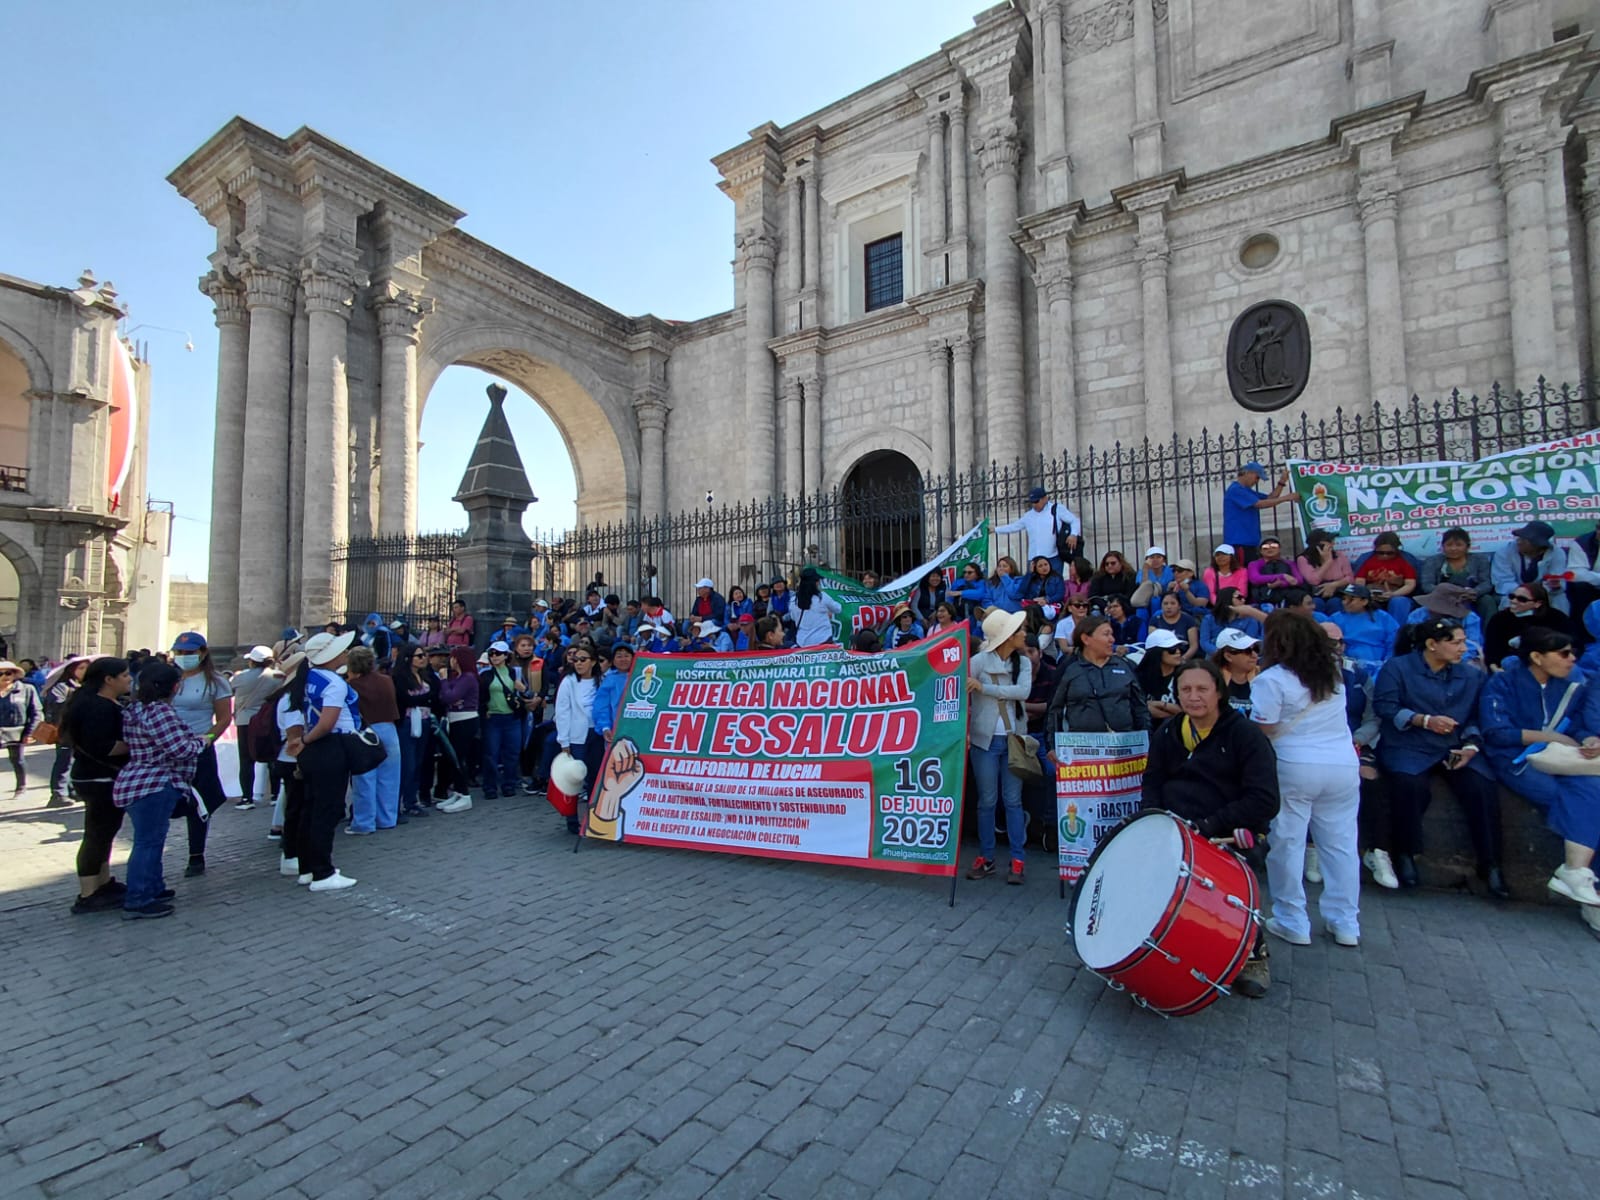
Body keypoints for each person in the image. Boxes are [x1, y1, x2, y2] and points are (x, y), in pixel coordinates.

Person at [1141, 658, 1281, 996]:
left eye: (1202, 689)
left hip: (1226, 832)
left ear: (1219, 692)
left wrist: (1208, 825)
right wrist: (1154, 818)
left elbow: (1265, 799)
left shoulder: (1245, 735)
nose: (1193, 697)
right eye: (1186, 689)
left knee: (1233, 887)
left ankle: (1254, 954)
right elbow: (1153, 781)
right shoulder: (1169, 732)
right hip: (1176, 828)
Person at [1251, 611, 1362, 947]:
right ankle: (1345, 922)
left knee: (1287, 843)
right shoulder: (1333, 674)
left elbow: (1264, 728)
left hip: (1295, 765)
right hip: (1342, 765)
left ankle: (1291, 919)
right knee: (1341, 845)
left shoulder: (1272, 679)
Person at [1372, 615, 1503, 897]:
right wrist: (1423, 720)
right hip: (1408, 744)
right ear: (1432, 644)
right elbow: (1385, 706)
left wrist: (1471, 745)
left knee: (1481, 787)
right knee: (1408, 785)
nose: (1463, 648)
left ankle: (1490, 863)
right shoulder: (1398, 668)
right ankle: (1405, 853)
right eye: (1456, 643)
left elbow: (1477, 716)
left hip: (1454, 746)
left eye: (1464, 642)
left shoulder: (1472, 675)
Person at [1479, 626, 1600, 925]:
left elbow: (1578, 726)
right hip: (1514, 760)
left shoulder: (1572, 685)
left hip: (1560, 759)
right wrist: (1549, 737)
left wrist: (1589, 739)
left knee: (1592, 788)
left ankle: (1578, 876)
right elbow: (1496, 732)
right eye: (1564, 654)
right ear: (1537, 657)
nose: (1572, 659)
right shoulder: (1503, 682)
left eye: (1573, 653)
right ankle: (1583, 887)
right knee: (1569, 800)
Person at [115, 663, 207, 919]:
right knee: (148, 843)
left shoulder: (134, 709)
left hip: (137, 780)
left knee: (152, 839)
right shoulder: (160, 711)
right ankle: (138, 899)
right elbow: (179, 749)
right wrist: (201, 743)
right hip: (154, 782)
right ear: (175, 686)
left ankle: (153, 887)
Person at [964, 609, 1033, 884]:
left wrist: (985, 688)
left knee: (1013, 801)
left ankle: (1018, 859)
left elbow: (1023, 692)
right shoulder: (978, 661)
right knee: (987, 801)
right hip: (985, 740)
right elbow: (960, 691)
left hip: (1014, 739)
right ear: (1006, 636)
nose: (1024, 634)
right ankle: (987, 856)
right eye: (1019, 630)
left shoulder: (1023, 662)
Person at [60, 657, 132, 914]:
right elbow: (103, 746)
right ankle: (88, 892)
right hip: (98, 777)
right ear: (108, 679)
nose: (129, 680)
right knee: (96, 835)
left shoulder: (101, 702)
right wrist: (137, 743)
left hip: (101, 776)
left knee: (105, 833)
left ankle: (103, 882)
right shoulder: (96, 707)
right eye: (124, 675)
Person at [290, 632, 360, 891]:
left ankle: (308, 868)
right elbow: (328, 722)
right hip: (330, 745)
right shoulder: (334, 682)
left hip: (316, 749)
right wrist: (306, 740)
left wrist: (305, 742)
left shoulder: (308, 677)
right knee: (327, 810)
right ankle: (323, 872)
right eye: (341, 650)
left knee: (310, 809)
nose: (345, 653)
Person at [168, 632, 233, 878]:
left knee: (199, 803)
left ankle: (196, 855)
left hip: (198, 748)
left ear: (203, 653)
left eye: (189, 653)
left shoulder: (215, 682)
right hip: (168, 749)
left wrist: (207, 739)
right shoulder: (169, 679)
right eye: (179, 653)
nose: (184, 657)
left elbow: (224, 718)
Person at [1046, 615, 1149, 738]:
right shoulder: (1068, 669)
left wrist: (1146, 739)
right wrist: (1053, 745)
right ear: (1086, 639)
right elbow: (1054, 712)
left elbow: (1140, 708)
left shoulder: (1126, 666)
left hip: (1125, 743)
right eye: (1106, 634)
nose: (1112, 640)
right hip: (1081, 745)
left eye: (1112, 634)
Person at [344, 646, 402, 832]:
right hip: (389, 728)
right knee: (390, 777)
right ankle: (387, 818)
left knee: (365, 779)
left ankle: (364, 822)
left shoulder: (352, 686)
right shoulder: (386, 680)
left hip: (366, 731)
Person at [555, 642, 603, 835]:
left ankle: (593, 818)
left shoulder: (601, 680)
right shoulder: (568, 682)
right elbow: (562, 712)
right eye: (576, 660)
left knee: (595, 777)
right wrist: (564, 741)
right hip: (576, 737)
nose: (579, 663)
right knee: (575, 779)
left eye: (583, 659)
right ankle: (572, 820)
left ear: (593, 662)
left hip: (597, 734)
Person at [228, 645, 280, 810]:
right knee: (272, 756)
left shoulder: (241, 677)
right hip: (267, 719)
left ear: (252, 661)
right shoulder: (278, 676)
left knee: (246, 760)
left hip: (245, 720)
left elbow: (231, 688)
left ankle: (247, 798)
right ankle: (275, 795)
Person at [476, 641, 528, 801]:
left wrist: (523, 689)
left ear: (506, 656)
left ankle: (509, 784)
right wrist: (484, 711)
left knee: (512, 753)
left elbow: (526, 694)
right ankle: (490, 787)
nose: (494, 657)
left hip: (512, 718)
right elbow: (480, 696)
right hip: (493, 718)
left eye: (498, 653)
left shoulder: (515, 673)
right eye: (491, 654)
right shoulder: (485, 674)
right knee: (491, 754)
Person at [1484, 581, 1578, 669]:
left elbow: (1572, 643)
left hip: (1550, 664)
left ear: (1537, 603)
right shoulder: (1500, 618)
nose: (1514, 601)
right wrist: (1495, 669)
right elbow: (1491, 651)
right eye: (1512, 596)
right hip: (1510, 668)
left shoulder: (1556, 617)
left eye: (1522, 599)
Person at [996, 485, 1081, 573]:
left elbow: (1074, 520)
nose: (1034, 505)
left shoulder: (1057, 509)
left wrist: (1073, 534)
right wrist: (996, 529)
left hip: (1053, 556)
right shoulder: (1029, 516)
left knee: (1055, 580)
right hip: (1034, 558)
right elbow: (1014, 526)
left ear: (1045, 499)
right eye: (1032, 502)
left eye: (1036, 501)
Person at [1492, 521, 1572, 612]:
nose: (1519, 541)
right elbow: (1503, 582)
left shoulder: (1557, 553)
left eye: (1525, 540)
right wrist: (1527, 594)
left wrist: (1554, 586)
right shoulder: (1504, 552)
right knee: (1509, 602)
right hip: (1515, 593)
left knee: (1559, 600)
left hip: (1546, 594)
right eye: (1519, 538)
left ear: (1538, 545)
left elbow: (1558, 580)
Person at [1223, 461, 1296, 562]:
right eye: (1257, 477)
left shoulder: (1247, 491)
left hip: (1250, 541)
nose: (1257, 481)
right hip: (1239, 542)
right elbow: (1260, 504)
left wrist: (1282, 481)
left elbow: (1270, 498)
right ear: (1248, 473)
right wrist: (1286, 498)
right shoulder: (1236, 490)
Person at [435, 647, 480, 811]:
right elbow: (445, 697)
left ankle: (465, 794)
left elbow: (449, 696)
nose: (451, 661)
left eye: (453, 658)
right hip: (455, 719)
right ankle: (458, 792)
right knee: (452, 758)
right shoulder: (458, 678)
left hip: (465, 720)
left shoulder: (468, 678)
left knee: (458, 758)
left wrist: (443, 681)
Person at [1420, 528, 1496, 623]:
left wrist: (1474, 592)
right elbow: (1427, 585)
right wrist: (1449, 594)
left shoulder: (1479, 559)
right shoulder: (1433, 561)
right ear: (1443, 546)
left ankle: (1489, 631)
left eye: (1458, 545)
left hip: (1471, 596)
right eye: (1449, 545)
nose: (1453, 548)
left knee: (1487, 600)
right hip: (1442, 597)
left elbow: (1486, 583)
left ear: (1467, 546)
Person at [42, 656, 88, 804]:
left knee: (74, 761)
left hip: (80, 730)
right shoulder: (61, 686)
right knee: (64, 761)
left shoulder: (83, 685)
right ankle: (58, 793)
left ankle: (72, 790)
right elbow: (56, 706)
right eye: (81, 668)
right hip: (65, 730)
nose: (85, 671)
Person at [1330, 584, 1399, 675]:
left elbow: (1393, 642)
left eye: (1351, 599)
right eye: (1344, 599)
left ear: (1364, 601)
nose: (1345, 602)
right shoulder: (1335, 618)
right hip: (1347, 665)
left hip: (1379, 665)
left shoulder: (1383, 618)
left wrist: (1387, 664)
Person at [1405, 584, 1484, 663]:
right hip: (1423, 658)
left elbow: (1472, 646)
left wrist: (1454, 660)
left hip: (1460, 659)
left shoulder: (1470, 618)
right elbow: (1411, 641)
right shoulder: (1417, 615)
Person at [1355, 532, 1418, 620]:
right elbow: (1359, 581)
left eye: (1390, 553)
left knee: (1399, 602)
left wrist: (1394, 594)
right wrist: (1366, 594)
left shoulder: (1405, 560)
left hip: (1398, 594)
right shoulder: (1367, 559)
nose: (1385, 555)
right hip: (1372, 594)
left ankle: (1397, 628)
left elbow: (1410, 584)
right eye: (1381, 553)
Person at [1135, 629, 1186, 726]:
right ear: (1157, 653)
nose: (1178, 652)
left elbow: (1189, 710)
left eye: (1180, 648)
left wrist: (1159, 704)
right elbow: (1138, 709)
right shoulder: (1139, 678)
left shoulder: (1185, 675)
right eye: (1172, 649)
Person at [1296, 530, 1355, 613]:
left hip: (1338, 590)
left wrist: (1333, 585)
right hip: (1316, 592)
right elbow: (1313, 580)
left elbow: (1350, 578)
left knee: (1335, 603)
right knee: (1317, 604)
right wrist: (1327, 562)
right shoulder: (1303, 559)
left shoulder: (1339, 555)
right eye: (1329, 542)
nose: (1333, 544)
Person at [1200, 587, 1265, 655]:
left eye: (1243, 597)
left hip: (1240, 654)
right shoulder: (1209, 619)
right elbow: (1204, 642)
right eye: (1239, 597)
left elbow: (1249, 642)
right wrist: (1221, 654)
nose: (1243, 600)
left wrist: (1232, 655)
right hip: (1216, 654)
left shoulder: (1249, 619)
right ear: (1227, 599)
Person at [1213, 628, 1261, 717]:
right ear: (1228, 656)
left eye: (1256, 649)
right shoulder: (1212, 680)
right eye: (1247, 651)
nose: (1255, 655)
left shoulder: (1264, 677)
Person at [591, 642, 633, 745]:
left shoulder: (644, 676)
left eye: (626, 656)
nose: (623, 659)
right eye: (619, 656)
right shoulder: (610, 680)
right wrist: (605, 727)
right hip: (617, 732)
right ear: (613, 661)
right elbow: (602, 706)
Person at [793, 566, 842, 648]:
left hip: (802, 643)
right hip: (823, 642)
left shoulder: (793, 600)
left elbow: (793, 617)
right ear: (815, 583)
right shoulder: (822, 597)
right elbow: (838, 609)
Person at [1147, 591, 1201, 658]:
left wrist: (1182, 660)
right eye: (1165, 603)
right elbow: (1153, 645)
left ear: (1179, 606)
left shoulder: (1189, 620)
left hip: (1184, 657)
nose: (1169, 607)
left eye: (1173, 603)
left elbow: (1194, 646)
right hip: (1162, 658)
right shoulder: (1155, 620)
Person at [1019, 555, 1065, 620]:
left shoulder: (1057, 578)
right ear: (1035, 568)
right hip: (1035, 606)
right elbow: (1022, 590)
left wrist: (1046, 600)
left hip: (1051, 605)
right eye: (1040, 566)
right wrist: (1029, 573)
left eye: (1046, 564)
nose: (1044, 568)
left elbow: (1060, 594)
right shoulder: (1031, 578)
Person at [1129, 547, 1174, 613]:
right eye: (1152, 557)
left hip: (1165, 599)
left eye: (1158, 557)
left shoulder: (1170, 571)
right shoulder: (1142, 572)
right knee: (1140, 611)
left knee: (1155, 601)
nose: (1155, 560)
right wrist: (1145, 570)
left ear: (1164, 560)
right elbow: (1143, 588)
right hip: (1146, 600)